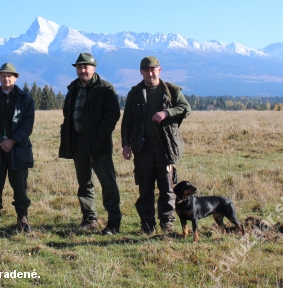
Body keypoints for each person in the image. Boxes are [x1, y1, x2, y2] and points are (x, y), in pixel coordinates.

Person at [121, 56, 191, 234]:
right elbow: (126, 121)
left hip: (165, 149)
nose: (150, 73)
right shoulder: (135, 93)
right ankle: (147, 225)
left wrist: (167, 112)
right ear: (141, 71)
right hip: (142, 150)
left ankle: (167, 224)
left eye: (153, 69)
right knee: (145, 190)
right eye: (146, 69)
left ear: (160, 70)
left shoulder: (171, 90)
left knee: (167, 189)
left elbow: (185, 108)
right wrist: (126, 145)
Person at [59, 53, 122, 235]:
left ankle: (113, 221)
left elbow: (112, 116)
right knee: (84, 183)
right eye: (79, 67)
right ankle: (90, 218)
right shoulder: (73, 90)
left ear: (94, 68)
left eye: (86, 67)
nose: (83, 70)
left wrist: (99, 136)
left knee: (108, 183)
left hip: (99, 144)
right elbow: (67, 114)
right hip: (78, 144)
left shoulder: (105, 89)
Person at [0, 63, 35, 233]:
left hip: (19, 151)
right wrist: (0, 141)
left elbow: (28, 124)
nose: (6, 78)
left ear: (16, 77)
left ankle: (22, 219)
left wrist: (12, 141)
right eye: (3, 75)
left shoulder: (26, 99)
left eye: (10, 75)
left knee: (20, 187)